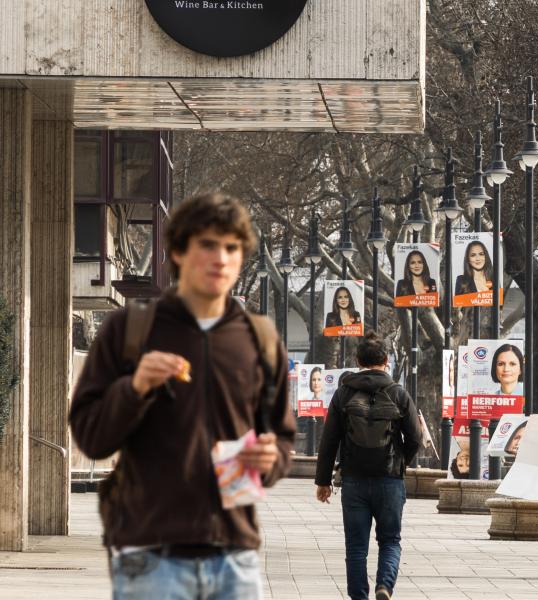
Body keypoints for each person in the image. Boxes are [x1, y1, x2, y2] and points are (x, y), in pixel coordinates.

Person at [69, 192, 295, 599]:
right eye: (207, 245)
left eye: (232, 247)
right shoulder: (129, 330)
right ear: (177, 251)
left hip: (234, 555)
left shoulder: (259, 340)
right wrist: (134, 387)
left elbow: (279, 436)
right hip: (150, 556)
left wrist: (271, 458)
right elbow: (90, 437)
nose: (221, 258)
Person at [315, 332, 421, 600]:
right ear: (386, 360)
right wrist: (401, 461)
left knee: (356, 547)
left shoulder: (343, 393)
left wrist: (323, 481)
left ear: (357, 360)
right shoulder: (398, 393)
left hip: (353, 480)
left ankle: (359, 597)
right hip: (389, 479)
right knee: (390, 541)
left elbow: (329, 441)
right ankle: (384, 586)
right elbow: (416, 438)